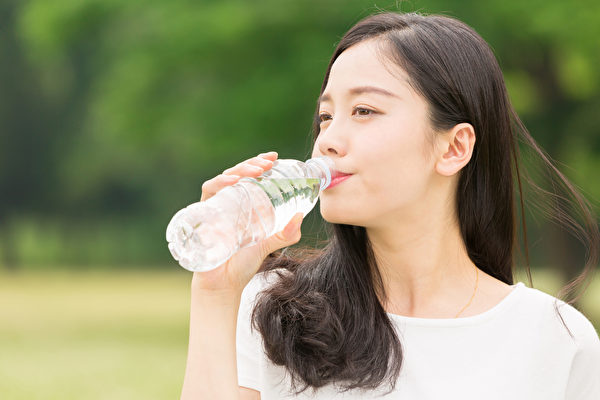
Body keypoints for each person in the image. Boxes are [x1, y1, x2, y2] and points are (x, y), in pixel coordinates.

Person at [180, 11, 600, 400]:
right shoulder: (275, 312)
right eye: (326, 116)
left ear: (454, 147)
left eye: (364, 110)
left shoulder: (555, 340)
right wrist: (215, 291)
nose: (327, 139)